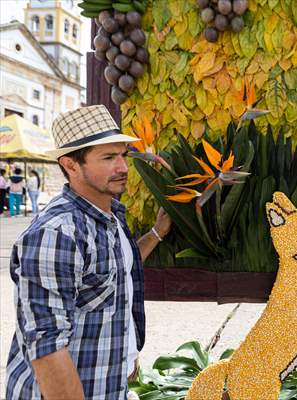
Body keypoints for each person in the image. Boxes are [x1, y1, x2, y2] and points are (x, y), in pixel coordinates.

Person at [5, 105, 172, 399]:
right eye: (108, 158)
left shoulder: (109, 216)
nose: (123, 167)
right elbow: (48, 349)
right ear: (70, 165)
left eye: (123, 155)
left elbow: (115, 270)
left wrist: (156, 233)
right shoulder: (57, 234)